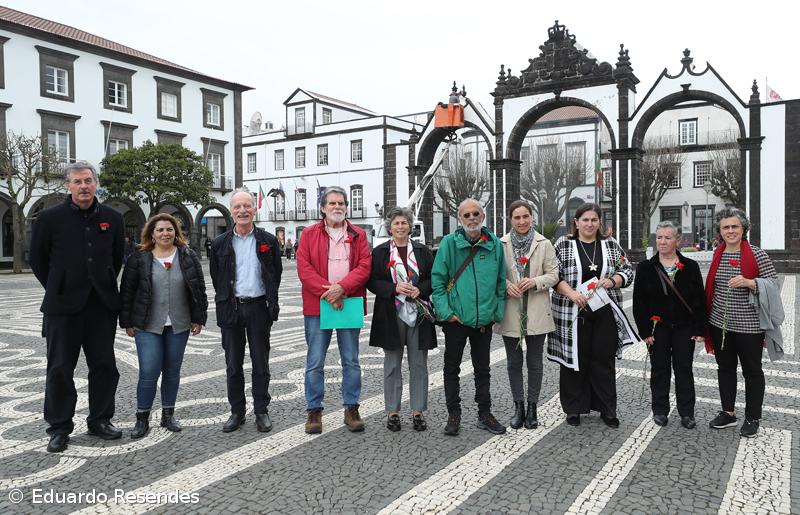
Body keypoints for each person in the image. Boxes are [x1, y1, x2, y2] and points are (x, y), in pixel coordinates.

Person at [29, 161, 125, 453]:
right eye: (78, 182)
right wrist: (58, 285)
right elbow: (37, 259)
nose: (84, 186)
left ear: (96, 184)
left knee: (105, 366)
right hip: (62, 307)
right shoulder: (48, 218)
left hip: (101, 306)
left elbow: (117, 257)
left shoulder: (113, 218)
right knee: (59, 368)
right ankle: (59, 427)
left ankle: (100, 420)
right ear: (68, 186)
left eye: (88, 181)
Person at [548, 203, 638, 428]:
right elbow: (553, 275)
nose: (589, 224)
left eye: (594, 220)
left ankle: (607, 409)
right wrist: (571, 293)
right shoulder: (563, 244)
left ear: (599, 223)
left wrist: (613, 280)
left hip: (605, 310)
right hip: (572, 310)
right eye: (585, 220)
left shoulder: (610, 244)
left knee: (603, 359)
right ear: (576, 222)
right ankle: (573, 408)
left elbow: (627, 270)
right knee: (574, 360)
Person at [119, 214, 208, 438]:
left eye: (169, 229)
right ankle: (142, 417)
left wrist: (199, 318)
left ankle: (168, 414)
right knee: (149, 370)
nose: (165, 233)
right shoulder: (139, 259)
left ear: (176, 232)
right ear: (152, 234)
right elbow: (127, 292)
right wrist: (127, 321)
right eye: (160, 230)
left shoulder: (187, 256)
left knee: (172, 371)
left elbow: (198, 288)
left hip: (179, 323)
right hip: (147, 324)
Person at [297, 186, 371, 434]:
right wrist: (331, 294)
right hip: (318, 305)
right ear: (322, 208)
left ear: (346, 207)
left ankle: (351, 408)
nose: (337, 207)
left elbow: (364, 266)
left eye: (341, 203)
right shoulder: (309, 234)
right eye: (332, 203)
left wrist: (343, 288)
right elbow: (304, 269)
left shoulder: (359, 234)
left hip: (349, 302)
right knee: (315, 360)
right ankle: (314, 410)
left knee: (351, 360)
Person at [431, 198, 507, 436]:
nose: (472, 218)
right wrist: (446, 313)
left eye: (476, 214)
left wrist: (496, 312)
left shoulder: (494, 244)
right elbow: (438, 281)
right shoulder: (449, 244)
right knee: (451, 368)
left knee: (483, 369)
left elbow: (501, 281)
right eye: (467, 215)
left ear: (482, 216)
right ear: (459, 219)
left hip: (484, 320)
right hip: (456, 319)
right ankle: (454, 414)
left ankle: (485, 413)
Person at [210, 189, 282, 433]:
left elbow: (275, 274)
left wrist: (270, 301)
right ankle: (237, 411)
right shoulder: (220, 243)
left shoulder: (268, 240)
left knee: (261, 362)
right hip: (231, 308)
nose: (242, 210)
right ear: (231, 212)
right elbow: (217, 277)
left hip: (259, 308)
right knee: (233, 364)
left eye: (247, 206)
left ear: (254, 209)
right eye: (237, 207)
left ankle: (261, 410)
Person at [705, 207, 779, 438]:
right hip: (720, 325)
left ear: (743, 228)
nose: (730, 231)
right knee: (725, 369)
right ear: (720, 231)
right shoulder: (717, 253)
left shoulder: (757, 254)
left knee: (752, 371)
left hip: (749, 327)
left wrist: (750, 283)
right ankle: (728, 413)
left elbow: (774, 285)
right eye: (725, 227)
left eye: (735, 226)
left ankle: (752, 417)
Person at [367, 207, 436, 432]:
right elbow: (372, 281)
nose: (400, 227)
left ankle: (418, 411)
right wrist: (394, 288)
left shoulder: (422, 251)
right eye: (396, 223)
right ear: (389, 228)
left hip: (419, 312)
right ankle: (393, 412)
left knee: (419, 364)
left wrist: (420, 289)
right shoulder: (380, 252)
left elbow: (433, 278)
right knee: (392, 364)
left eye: (404, 223)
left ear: (410, 226)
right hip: (391, 313)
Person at [633, 221, 707, 430]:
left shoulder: (690, 266)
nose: (662, 241)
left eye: (667, 237)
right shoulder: (646, 267)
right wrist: (645, 331)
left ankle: (687, 412)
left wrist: (700, 329)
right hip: (658, 328)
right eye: (659, 237)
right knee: (660, 369)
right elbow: (639, 302)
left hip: (684, 327)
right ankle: (660, 410)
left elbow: (699, 300)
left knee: (684, 369)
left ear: (677, 241)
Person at [498, 200, 559, 430]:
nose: (522, 221)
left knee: (534, 362)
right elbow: (495, 274)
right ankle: (519, 407)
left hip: (536, 310)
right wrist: (506, 285)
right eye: (517, 217)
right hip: (511, 310)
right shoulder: (501, 244)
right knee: (513, 362)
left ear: (532, 217)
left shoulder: (544, 243)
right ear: (510, 219)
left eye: (526, 216)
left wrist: (535, 281)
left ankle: (533, 407)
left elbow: (553, 274)